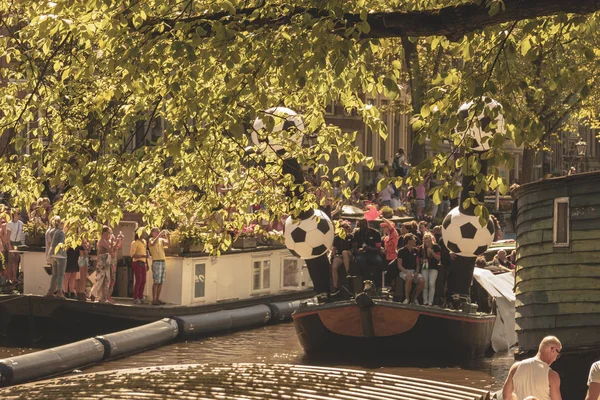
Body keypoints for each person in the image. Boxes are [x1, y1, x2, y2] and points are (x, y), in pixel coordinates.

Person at [502, 335, 563, 400]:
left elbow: (506, 396)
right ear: (553, 350)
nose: (555, 359)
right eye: (557, 355)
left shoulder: (515, 367)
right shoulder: (552, 375)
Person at [351, 219, 384, 289]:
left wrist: (369, 248)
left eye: (364, 225)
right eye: (361, 226)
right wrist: (358, 250)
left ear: (367, 224)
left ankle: (378, 284)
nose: (362, 227)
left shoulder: (375, 233)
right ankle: (366, 281)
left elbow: (378, 248)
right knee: (359, 261)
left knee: (379, 261)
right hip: (361, 254)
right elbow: (354, 247)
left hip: (373, 253)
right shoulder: (357, 233)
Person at [396, 234, 424, 304]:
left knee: (422, 281)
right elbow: (399, 265)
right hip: (404, 271)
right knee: (409, 278)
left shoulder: (416, 250)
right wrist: (406, 272)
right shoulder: (401, 251)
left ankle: (414, 299)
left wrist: (417, 271)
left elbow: (417, 263)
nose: (415, 240)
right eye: (413, 239)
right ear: (409, 241)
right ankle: (407, 298)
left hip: (414, 271)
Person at [330, 221, 353, 295]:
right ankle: (335, 286)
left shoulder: (351, 237)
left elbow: (354, 248)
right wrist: (333, 256)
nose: (345, 229)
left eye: (346, 227)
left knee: (344, 252)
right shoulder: (337, 238)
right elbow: (334, 249)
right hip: (340, 255)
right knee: (334, 267)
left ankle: (348, 272)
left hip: (349, 254)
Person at [46, 219, 67, 299]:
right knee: (61, 274)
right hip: (60, 255)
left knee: (55, 274)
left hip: (52, 254)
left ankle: (50, 291)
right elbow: (62, 244)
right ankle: (59, 291)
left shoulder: (52, 231)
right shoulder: (61, 232)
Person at [149, 227, 170, 305]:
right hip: (156, 262)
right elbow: (152, 244)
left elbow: (169, 244)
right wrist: (159, 235)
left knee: (161, 281)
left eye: (158, 232)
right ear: (152, 233)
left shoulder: (161, 240)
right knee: (156, 281)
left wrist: (168, 235)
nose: (158, 233)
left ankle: (157, 299)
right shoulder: (151, 239)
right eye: (156, 232)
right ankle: (154, 299)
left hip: (162, 261)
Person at [420, 233, 441, 306]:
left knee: (431, 283)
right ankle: (425, 301)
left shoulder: (436, 247)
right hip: (425, 267)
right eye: (425, 242)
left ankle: (430, 301)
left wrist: (432, 252)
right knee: (425, 284)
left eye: (428, 241)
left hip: (434, 267)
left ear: (431, 240)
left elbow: (439, 258)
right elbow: (419, 258)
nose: (427, 243)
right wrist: (422, 260)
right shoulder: (422, 248)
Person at [130, 233, 149, 304]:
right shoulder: (135, 243)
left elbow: (145, 254)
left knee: (143, 280)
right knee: (139, 280)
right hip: (137, 262)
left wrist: (147, 262)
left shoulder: (144, 242)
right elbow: (132, 255)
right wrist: (143, 256)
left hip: (143, 262)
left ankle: (141, 297)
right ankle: (135, 297)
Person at [6, 210, 25, 282]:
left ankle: (15, 278)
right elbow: (8, 235)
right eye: (18, 214)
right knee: (10, 261)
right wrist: (9, 245)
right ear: (14, 215)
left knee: (16, 261)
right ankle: (9, 278)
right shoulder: (10, 224)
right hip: (12, 242)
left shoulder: (21, 223)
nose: (19, 215)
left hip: (18, 242)